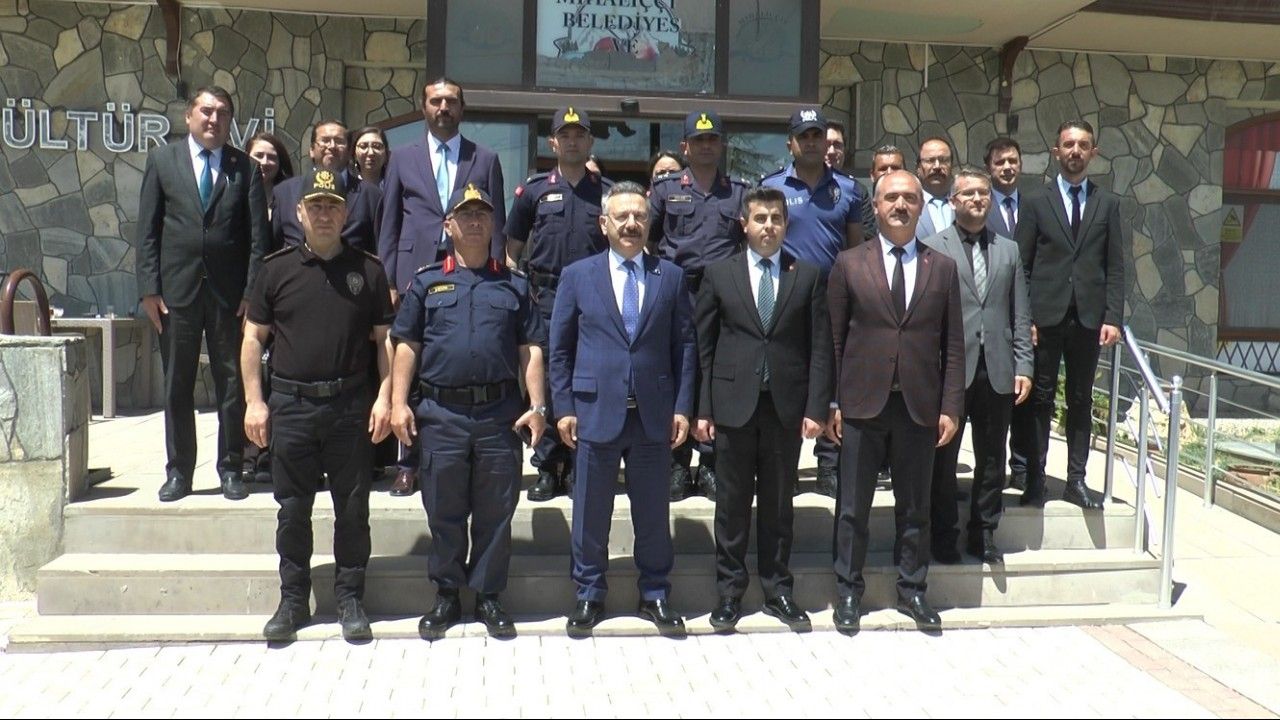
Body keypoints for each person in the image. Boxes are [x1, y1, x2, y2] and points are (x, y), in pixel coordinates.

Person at [389, 184, 546, 639]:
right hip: (441, 413)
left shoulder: (514, 284)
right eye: (465, 214)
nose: (475, 221)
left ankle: (489, 596)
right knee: (444, 509)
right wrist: (398, 403)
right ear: (448, 225)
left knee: (497, 511)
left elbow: (531, 349)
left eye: (482, 214)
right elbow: (406, 346)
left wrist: (538, 406)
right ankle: (446, 595)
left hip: (499, 415)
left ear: (493, 224)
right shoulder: (426, 282)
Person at [243, 169, 394, 643]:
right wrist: (254, 402)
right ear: (299, 212)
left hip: (350, 405)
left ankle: (350, 598)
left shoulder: (368, 270)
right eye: (316, 206)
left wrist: (386, 397)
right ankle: (292, 600)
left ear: (346, 215)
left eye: (333, 206)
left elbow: (385, 342)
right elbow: (252, 339)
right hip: (291, 406)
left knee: (353, 509)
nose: (325, 214)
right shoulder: (275, 270)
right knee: (293, 509)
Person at [549, 181, 697, 638]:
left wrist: (682, 407)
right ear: (604, 223)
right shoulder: (578, 276)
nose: (631, 224)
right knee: (590, 510)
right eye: (622, 217)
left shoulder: (670, 276)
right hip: (595, 410)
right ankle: (589, 593)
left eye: (639, 216)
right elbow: (560, 349)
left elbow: (685, 347)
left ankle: (655, 592)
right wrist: (563, 407)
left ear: (649, 223)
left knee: (652, 512)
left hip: (653, 413)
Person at [827, 169, 964, 633]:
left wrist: (950, 407)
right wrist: (833, 403)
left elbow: (953, 345)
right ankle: (848, 591)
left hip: (919, 407)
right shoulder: (849, 264)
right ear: (876, 207)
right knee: (852, 507)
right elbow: (835, 340)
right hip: (861, 405)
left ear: (921, 206)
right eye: (891, 198)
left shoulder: (941, 267)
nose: (900, 205)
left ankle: (913, 590)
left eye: (909, 198)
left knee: (915, 507)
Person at [693, 187, 832, 632]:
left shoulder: (807, 275)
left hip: (784, 409)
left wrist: (817, 407)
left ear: (786, 224)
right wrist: (702, 409)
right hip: (732, 407)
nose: (768, 226)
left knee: (778, 504)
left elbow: (820, 348)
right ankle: (730, 592)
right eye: (760, 218)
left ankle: (778, 590)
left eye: (776, 218)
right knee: (731, 504)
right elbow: (703, 348)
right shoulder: (719, 274)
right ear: (744, 224)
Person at [136, 85, 269, 503]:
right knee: (177, 383)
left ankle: (231, 469)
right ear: (189, 116)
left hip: (231, 298)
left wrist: (251, 292)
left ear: (230, 121)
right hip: (176, 294)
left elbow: (258, 239)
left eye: (223, 113)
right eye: (207, 111)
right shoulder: (162, 161)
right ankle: (179, 472)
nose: (214, 119)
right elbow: (147, 230)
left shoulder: (245, 168)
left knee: (231, 383)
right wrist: (149, 289)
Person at [380, 77, 506, 498]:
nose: (443, 108)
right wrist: (389, 279)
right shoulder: (402, 157)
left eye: (451, 101)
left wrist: (496, 271)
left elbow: (497, 224)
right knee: (409, 367)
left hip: (469, 271)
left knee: (451, 362)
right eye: (436, 101)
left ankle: (455, 455)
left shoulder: (484, 158)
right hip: (413, 273)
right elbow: (390, 222)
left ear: (462, 109)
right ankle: (407, 463)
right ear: (423, 107)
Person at [919, 167, 1033, 566]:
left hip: (997, 369)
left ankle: (983, 532)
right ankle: (943, 534)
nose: (977, 199)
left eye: (983, 193)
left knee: (992, 457)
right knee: (943, 458)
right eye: (968, 193)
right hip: (949, 369)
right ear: (953, 201)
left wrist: (1024, 364)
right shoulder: (932, 247)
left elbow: (1020, 313)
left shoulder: (1009, 250)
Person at [504, 107, 613, 501]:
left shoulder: (607, 193)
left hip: (595, 300)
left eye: (579, 135)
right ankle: (549, 465)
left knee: (590, 378)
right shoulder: (534, 191)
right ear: (552, 142)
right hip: (546, 297)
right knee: (550, 380)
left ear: (590, 142)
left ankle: (581, 462)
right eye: (564, 135)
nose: (572, 141)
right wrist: (520, 292)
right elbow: (512, 250)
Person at [1015, 121, 1124, 509]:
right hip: (1044, 318)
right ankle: (1035, 480)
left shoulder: (1107, 203)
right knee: (1039, 400)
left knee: (1081, 400)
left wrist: (1113, 317)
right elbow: (1022, 265)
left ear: (1093, 152)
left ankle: (1076, 481)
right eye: (1068, 144)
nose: (1075, 151)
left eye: (1083, 145)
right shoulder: (1035, 201)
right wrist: (1024, 319)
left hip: (1089, 319)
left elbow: (1115, 266)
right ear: (1056, 151)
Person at [760, 107, 863, 499]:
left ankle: (828, 463)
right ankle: (783, 464)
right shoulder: (772, 186)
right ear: (791, 143)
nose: (811, 142)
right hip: (785, 296)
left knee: (831, 378)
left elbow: (855, 246)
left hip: (833, 296)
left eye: (817, 135)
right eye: (803, 136)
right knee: (789, 374)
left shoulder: (848, 189)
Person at [648, 110, 750, 501]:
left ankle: (710, 463)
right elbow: (647, 241)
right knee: (677, 373)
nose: (706, 146)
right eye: (698, 140)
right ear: (685, 147)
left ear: (722, 145)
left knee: (715, 375)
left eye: (712, 139)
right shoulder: (665, 190)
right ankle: (677, 463)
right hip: (677, 295)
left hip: (722, 298)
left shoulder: (739, 192)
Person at [984, 137, 1034, 492]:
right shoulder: (979, 206)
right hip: (993, 319)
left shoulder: (1036, 207)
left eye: (1012, 161)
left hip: (1029, 319)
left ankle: (1023, 467)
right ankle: (993, 471)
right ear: (989, 168)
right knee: (994, 405)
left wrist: (1032, 319)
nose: (1007, 167)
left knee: (1025, 400)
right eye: (1000, 162)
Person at [271, 119, 382, 254]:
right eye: (325, 140)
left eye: (339, 141)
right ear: (311, 150)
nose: (332, 146)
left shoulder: (371, 195)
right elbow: (273, 249)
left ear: (349, 151)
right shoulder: (284, 193)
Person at [859, 145, 906, 242]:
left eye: (895, 168)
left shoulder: (913, 207)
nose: (889, 172)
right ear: (872, 175)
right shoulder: (860, 207)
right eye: (883, 168)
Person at [914, 136, 955, 240]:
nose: (937, 166)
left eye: (943, 160)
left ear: (951, 166)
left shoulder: (962, 202)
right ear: (918, 168)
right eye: (930, 160)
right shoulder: (909, 204)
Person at [246, 131, 294, 219]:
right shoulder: (236, 196)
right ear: (247, 157)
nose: (264, 162)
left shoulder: (292, 200)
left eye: (272, 157)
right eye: (259, 155)